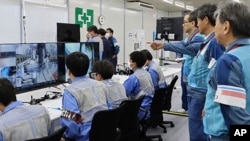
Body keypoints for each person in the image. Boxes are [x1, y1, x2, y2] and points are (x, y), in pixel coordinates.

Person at [151, 4, 225, 141]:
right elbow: (188, 48)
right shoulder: (207, 41)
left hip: (200, 92)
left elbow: (219, 75)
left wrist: (211, 103)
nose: (196, 24)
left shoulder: (214, 42)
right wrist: (164, 45)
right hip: (197, 91)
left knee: (198, 132)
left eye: (198, 20)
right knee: (196, 128)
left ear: (206, 20)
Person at [203, 1, 250, 140]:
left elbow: (234, 115)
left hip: (224, 134)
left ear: (226, 27)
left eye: (216, 24)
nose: (214, 29)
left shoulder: (228, 61)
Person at [153, 10, 205, 113]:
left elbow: (187, 48)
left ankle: (190, 108)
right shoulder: (188, 39)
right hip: (187, 70)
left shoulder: (199, 38)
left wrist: (164, 45)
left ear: (193, 23)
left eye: (185, 22)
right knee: (186, 92)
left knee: (195, 107)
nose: (182, 25)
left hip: (195, 76)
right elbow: (180, 45)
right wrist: (164, 45)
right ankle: (186, 106)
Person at [60, 52, 108, 141]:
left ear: (68, 70)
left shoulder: (70, 92)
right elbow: (109, 111)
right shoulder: (101, 85)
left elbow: (71, 126)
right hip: (105, 135)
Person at [123, 51, 154, 120]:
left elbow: (123, 94)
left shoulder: (133, 78)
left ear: (134, 64)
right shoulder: (147, 73)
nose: (128, 62)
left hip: (141, 110)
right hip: (149, 107)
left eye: (130, 60)